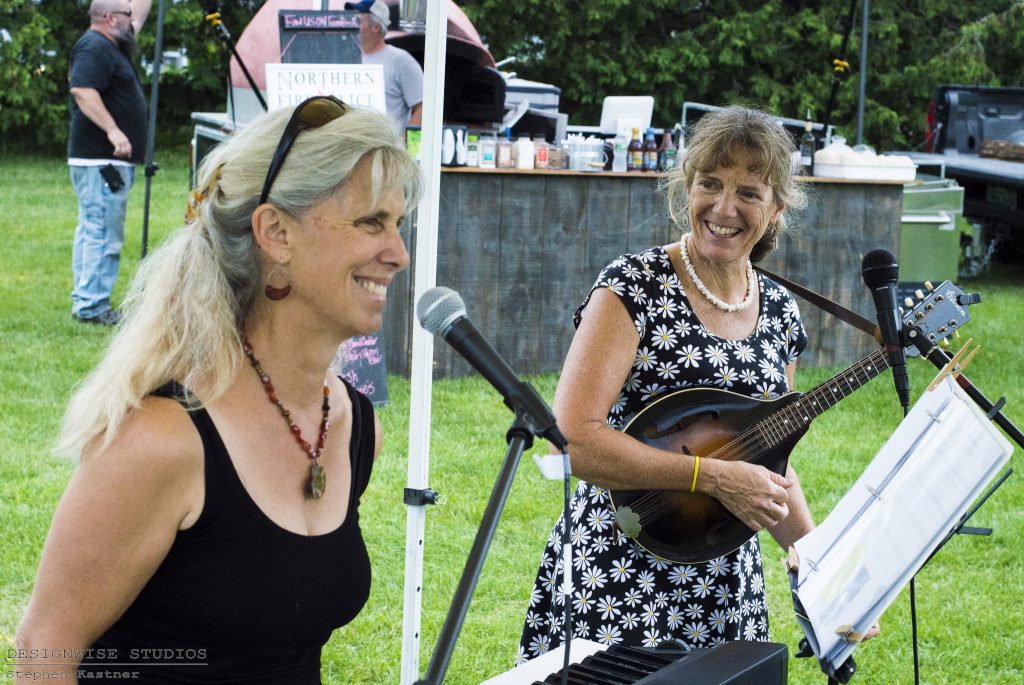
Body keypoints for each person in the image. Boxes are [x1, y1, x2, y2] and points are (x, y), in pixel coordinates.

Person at [15, 97, 421, 681]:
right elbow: (44, 651)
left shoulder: (356, 428)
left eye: (398, 225)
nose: (399, 254)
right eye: (370, 223)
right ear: (276, 233)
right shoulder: (159, 438)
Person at [517, 106, 878, 663]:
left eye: (749, 193)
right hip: (619, 576)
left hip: (726, 584)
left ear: (777, 207)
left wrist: (820, 569)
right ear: (687, 186)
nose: (724, 208)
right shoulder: (632, 287)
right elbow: (572, 439)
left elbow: (768, 457)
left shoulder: (780, 311)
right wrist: (710, 477)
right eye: (710, 184)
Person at [67, 0, 152, 325]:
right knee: (102, 232)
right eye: (125, 16)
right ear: (108, 18)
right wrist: (115, 131)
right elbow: (83, 90)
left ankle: (88, 298)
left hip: (103, 162)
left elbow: (138, 16)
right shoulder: (94, 47)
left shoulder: (111, 43)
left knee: (94, 229)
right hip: (101, 160)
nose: (132, 22)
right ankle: (92, 305)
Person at [345, 0, 423, 130]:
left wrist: (402, 141)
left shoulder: (401, 60)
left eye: (357, 19)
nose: (351, 23)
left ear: (375, 27)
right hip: (352, 146)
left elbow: (422, 107)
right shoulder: (345, 56)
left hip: (386, 147)